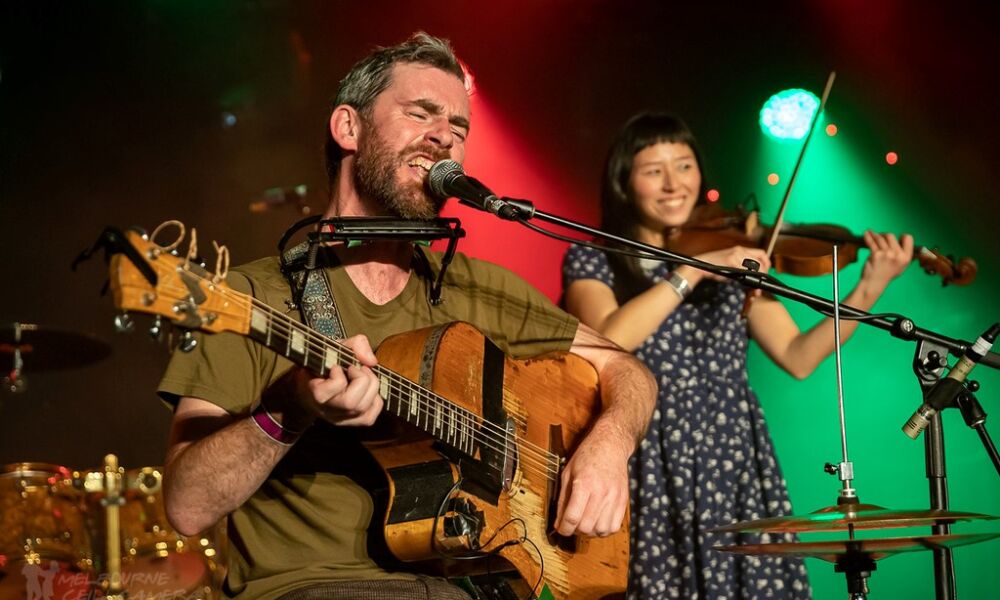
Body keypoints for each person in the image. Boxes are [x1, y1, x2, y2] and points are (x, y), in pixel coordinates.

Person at [158, 33, 656, 600]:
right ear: (349, 128)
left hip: (467, 583)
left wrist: (609, 443)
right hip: (314, 587)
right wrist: (288, 408)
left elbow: (626, 369)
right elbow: (187, 506)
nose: (445, 136)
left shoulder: (478, 287)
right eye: (420, 113)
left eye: (459, 128)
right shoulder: (249, 295)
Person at [561, 112, 913, 599]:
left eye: (684, 166)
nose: (672, 184)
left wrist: (869, 287)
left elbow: (798, 355)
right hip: (645, 450)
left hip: (732, 454)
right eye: (653, 170)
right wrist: (692, 272)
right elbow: (608, 336)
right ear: (624, 184)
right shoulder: (593, 257)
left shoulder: (731, 255)